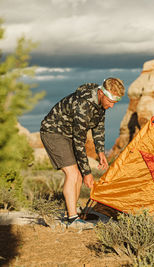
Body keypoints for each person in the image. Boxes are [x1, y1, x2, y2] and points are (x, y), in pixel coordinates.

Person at [40, 77, 125, 228]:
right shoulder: (83, 105)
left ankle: (71, 212)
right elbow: (79, 142)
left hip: (69, 135)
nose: (111, 106)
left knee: (77, 174)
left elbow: (98, 128)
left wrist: (100, 153)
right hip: (54, 132)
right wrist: (88, 173)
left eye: (115, 103)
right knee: (73, 174)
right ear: (101, 93)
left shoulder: (100, 105)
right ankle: (72, 219)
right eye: (110, 102)